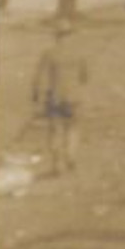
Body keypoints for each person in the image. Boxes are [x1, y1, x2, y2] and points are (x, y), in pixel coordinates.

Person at [31, 23, 87, 175]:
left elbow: (39, 78)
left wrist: (36, 97)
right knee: (73, 128)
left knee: (55, 130)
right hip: (74, 98)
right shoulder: (80, 54)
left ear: (56, 36)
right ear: (72, 35)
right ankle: (71, 156)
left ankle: (57, 164)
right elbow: (84, 77)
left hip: (55, 98)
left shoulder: (50, 53)